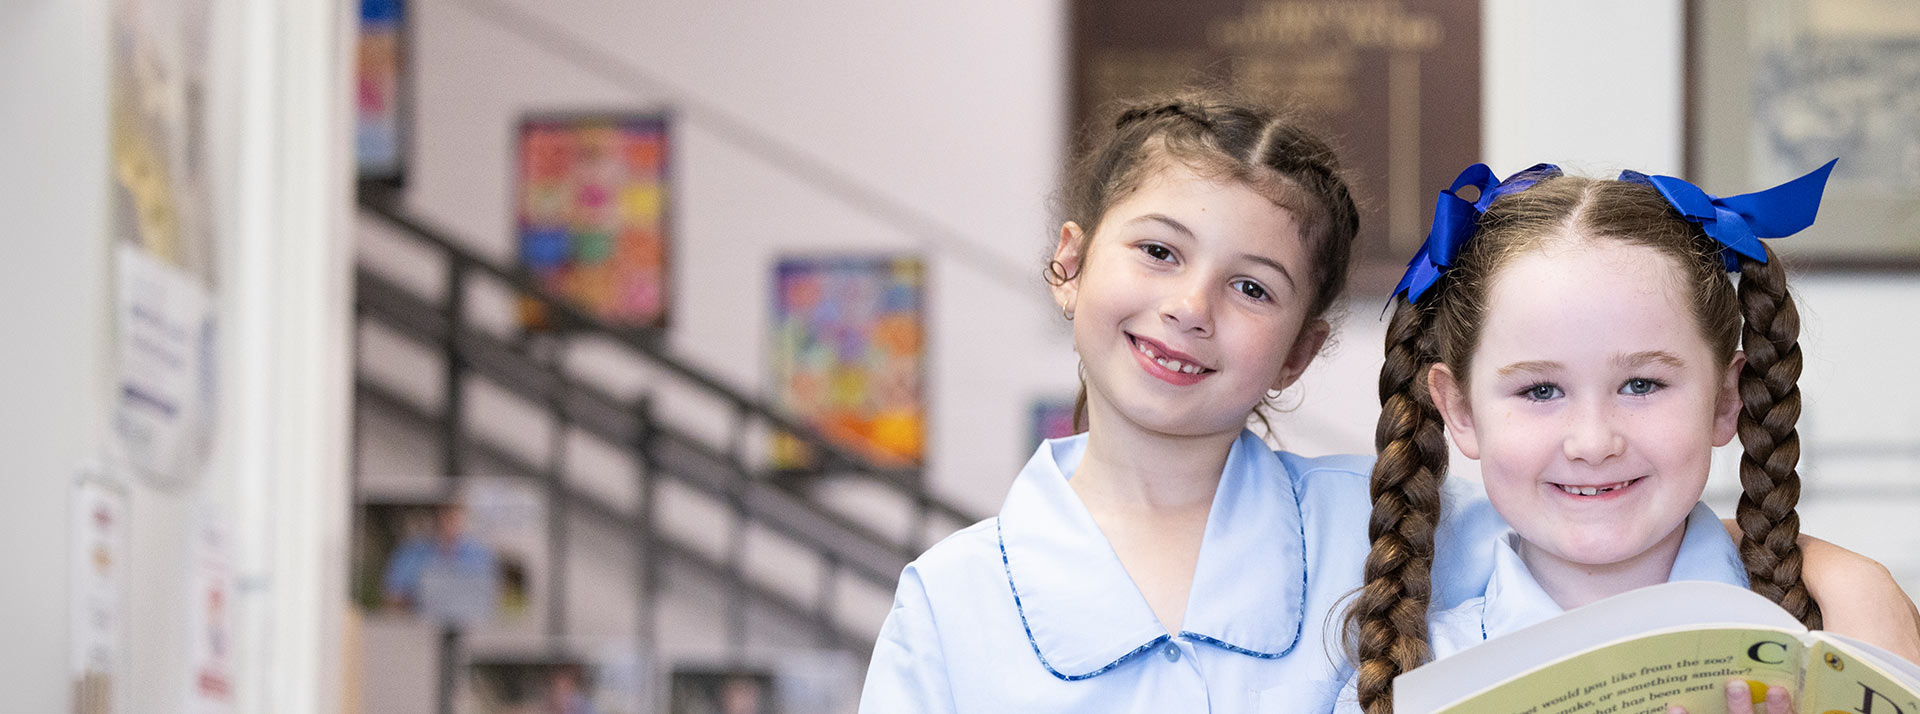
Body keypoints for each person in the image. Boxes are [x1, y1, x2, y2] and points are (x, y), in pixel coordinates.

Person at [857, 90, 1515, 713]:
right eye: (1159, 251)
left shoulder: (1412, 529)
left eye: (1252, 288)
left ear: (1297, 355)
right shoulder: (949, 600)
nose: (1191, 308)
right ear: (1070, 264)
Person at [1344, 161, 1920, 714]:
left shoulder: (1847, 642)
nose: (1593, 443)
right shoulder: (1412, 682)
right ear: (1461, 411)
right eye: (1541, 391)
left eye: (1641, 384)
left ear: (1726, 399)